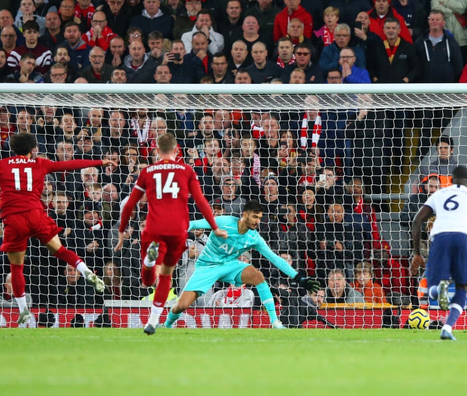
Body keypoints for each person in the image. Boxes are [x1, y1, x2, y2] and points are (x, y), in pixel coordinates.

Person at [0, 133, 115, 325]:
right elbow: (69, 165)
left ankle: (23, 309)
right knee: (61, 250)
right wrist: (101, 161)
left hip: (14, 220)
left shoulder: (1, 164)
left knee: (16, 267)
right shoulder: (39, 163)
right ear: (33, 149)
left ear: (12, 148)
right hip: (36, 215)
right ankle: (86, 272)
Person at [114, 132, 226, 335]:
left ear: (156, 151)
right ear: (176, 150)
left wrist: (122, 231)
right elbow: (201, 201)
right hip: (177, 230)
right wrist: (215, 227)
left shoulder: (148, 171)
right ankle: (153, 321)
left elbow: (130, 203)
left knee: (148, 279)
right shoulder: (186, 170)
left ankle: (149, 262)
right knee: (166, 276)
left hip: (154, 228)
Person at [163, 200, 320, 330]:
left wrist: (299, 278)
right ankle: (167, 324)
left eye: (259, 218)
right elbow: (192, 224)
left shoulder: (254, 237)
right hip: (207, 266)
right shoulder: (223, 222)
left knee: (257, 276)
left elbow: (275, 258)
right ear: (245, 215)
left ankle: (275, 322)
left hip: (230, 265)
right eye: (255, 217)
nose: (257, 221)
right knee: (181, 305)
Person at [410, 166, 467, 340]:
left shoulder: (439, 194)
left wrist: (416, 253)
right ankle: (447, 328)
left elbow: (417, 220)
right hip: (462, 238)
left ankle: (436, 290)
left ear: (450, 180)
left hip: (440, 238)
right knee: (462, 287)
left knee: (432, 280)